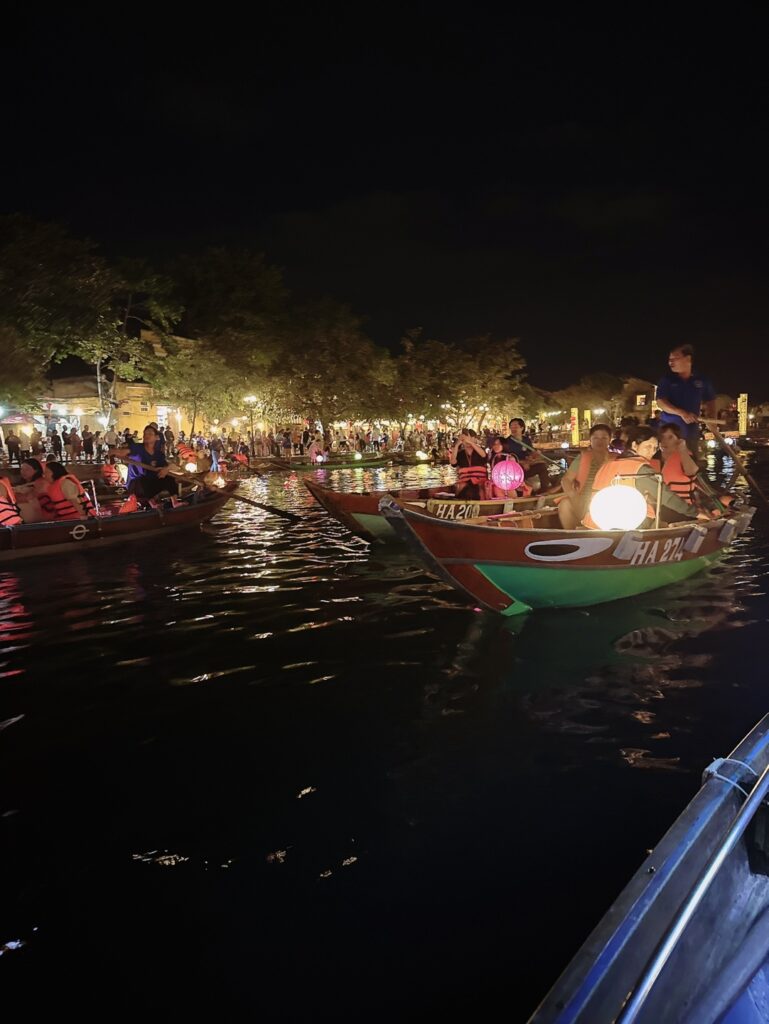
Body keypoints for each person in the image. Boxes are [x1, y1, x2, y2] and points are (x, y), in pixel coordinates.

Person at [583, 426, 709, 529]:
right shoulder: (640, 469)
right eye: (647, 446)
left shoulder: (608, 465)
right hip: (630, 525)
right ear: (634, 445)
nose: (652, 452)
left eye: (655, 448)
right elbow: (666, 497)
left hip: (594, 522)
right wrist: (697, 513)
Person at [656, 344, 716, 454]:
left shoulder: (702, 379)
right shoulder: (667, 379)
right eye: (670, 359)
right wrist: (682, 413)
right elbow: (661, 402)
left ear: (688, 359)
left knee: (690, 464)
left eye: (675, 359)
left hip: (691, 432)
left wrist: (711, 417)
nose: (670, 362)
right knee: (669, 463)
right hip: (669, 432)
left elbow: (710, 400)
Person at [558, 423, 617, 529]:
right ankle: (572, 538)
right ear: (590, 440)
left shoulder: (616, 459)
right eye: (596, 438)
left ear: (609, 440)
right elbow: (566, 479)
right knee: (564, 504)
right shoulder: (583, 458)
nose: (600, 441)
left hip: (609, 500)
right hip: (584, 499)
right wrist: (573, 494)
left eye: (604, 438)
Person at [112, 425, 172, 506]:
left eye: (150, 434)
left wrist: (167, 468)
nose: (146, 436)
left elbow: (169, 465)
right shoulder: (138, 448)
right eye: (145, 434)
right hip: (136, 486)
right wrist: (114, 452)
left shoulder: (157, 453)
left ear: (157, 438)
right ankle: (152, 502)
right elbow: (124, 452)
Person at [650, 423, 699, 503]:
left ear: (679, 440)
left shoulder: (685, 457)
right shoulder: (653, 457)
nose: (665, 441)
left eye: (670, 437)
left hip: (682, 508)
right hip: (656, 506)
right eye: (662, 437)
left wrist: (682, 450)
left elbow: (692, 472)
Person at [503, 417, 550, 492]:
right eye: (511, 427)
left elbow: (530, 453)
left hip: (526, 466)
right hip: (515, 470)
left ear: (522, 428)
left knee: (542, 466)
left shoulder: (526, 440)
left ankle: (544, 490)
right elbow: (507, 459)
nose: (513, 429)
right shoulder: (507, 442)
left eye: (516, 427)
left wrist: (535, 454)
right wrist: (522, 463)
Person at [450, 429, 488, 499]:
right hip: (465, 480)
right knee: (461, 486)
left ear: (475, 439)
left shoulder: (480, 450)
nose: (467, 441)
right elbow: (453, 462)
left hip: (479, 479)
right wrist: (457, 445)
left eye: (470, 438)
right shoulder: (460, 454)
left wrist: (471, 443)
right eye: (465, 439)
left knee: (481, 488)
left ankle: (483, 506)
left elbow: (484, 455)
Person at [15, 458, 54, 522]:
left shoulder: (42, 483)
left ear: (36, 470)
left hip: (41, 519)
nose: (23, 472)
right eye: (22, 469)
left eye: (27, 469)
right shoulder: (24, 484)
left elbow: (26, 498)